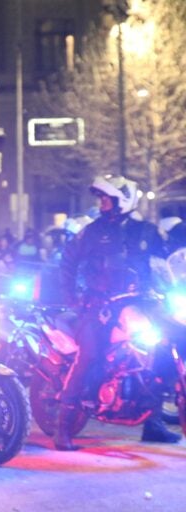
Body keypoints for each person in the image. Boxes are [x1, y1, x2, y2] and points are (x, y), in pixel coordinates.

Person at [56, 175, 181, 451]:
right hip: (100, 305)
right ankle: (63, 428)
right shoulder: (92, 231)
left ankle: (154, 423)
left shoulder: (147, 231)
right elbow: (68, 259)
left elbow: (164, 264)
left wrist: (173, 287)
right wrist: (71, 295)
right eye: (100, 198)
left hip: (140, 303)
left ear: (123, 198)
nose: (102, 203)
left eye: (106, 198)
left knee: (165, 348)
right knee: (88, 355)